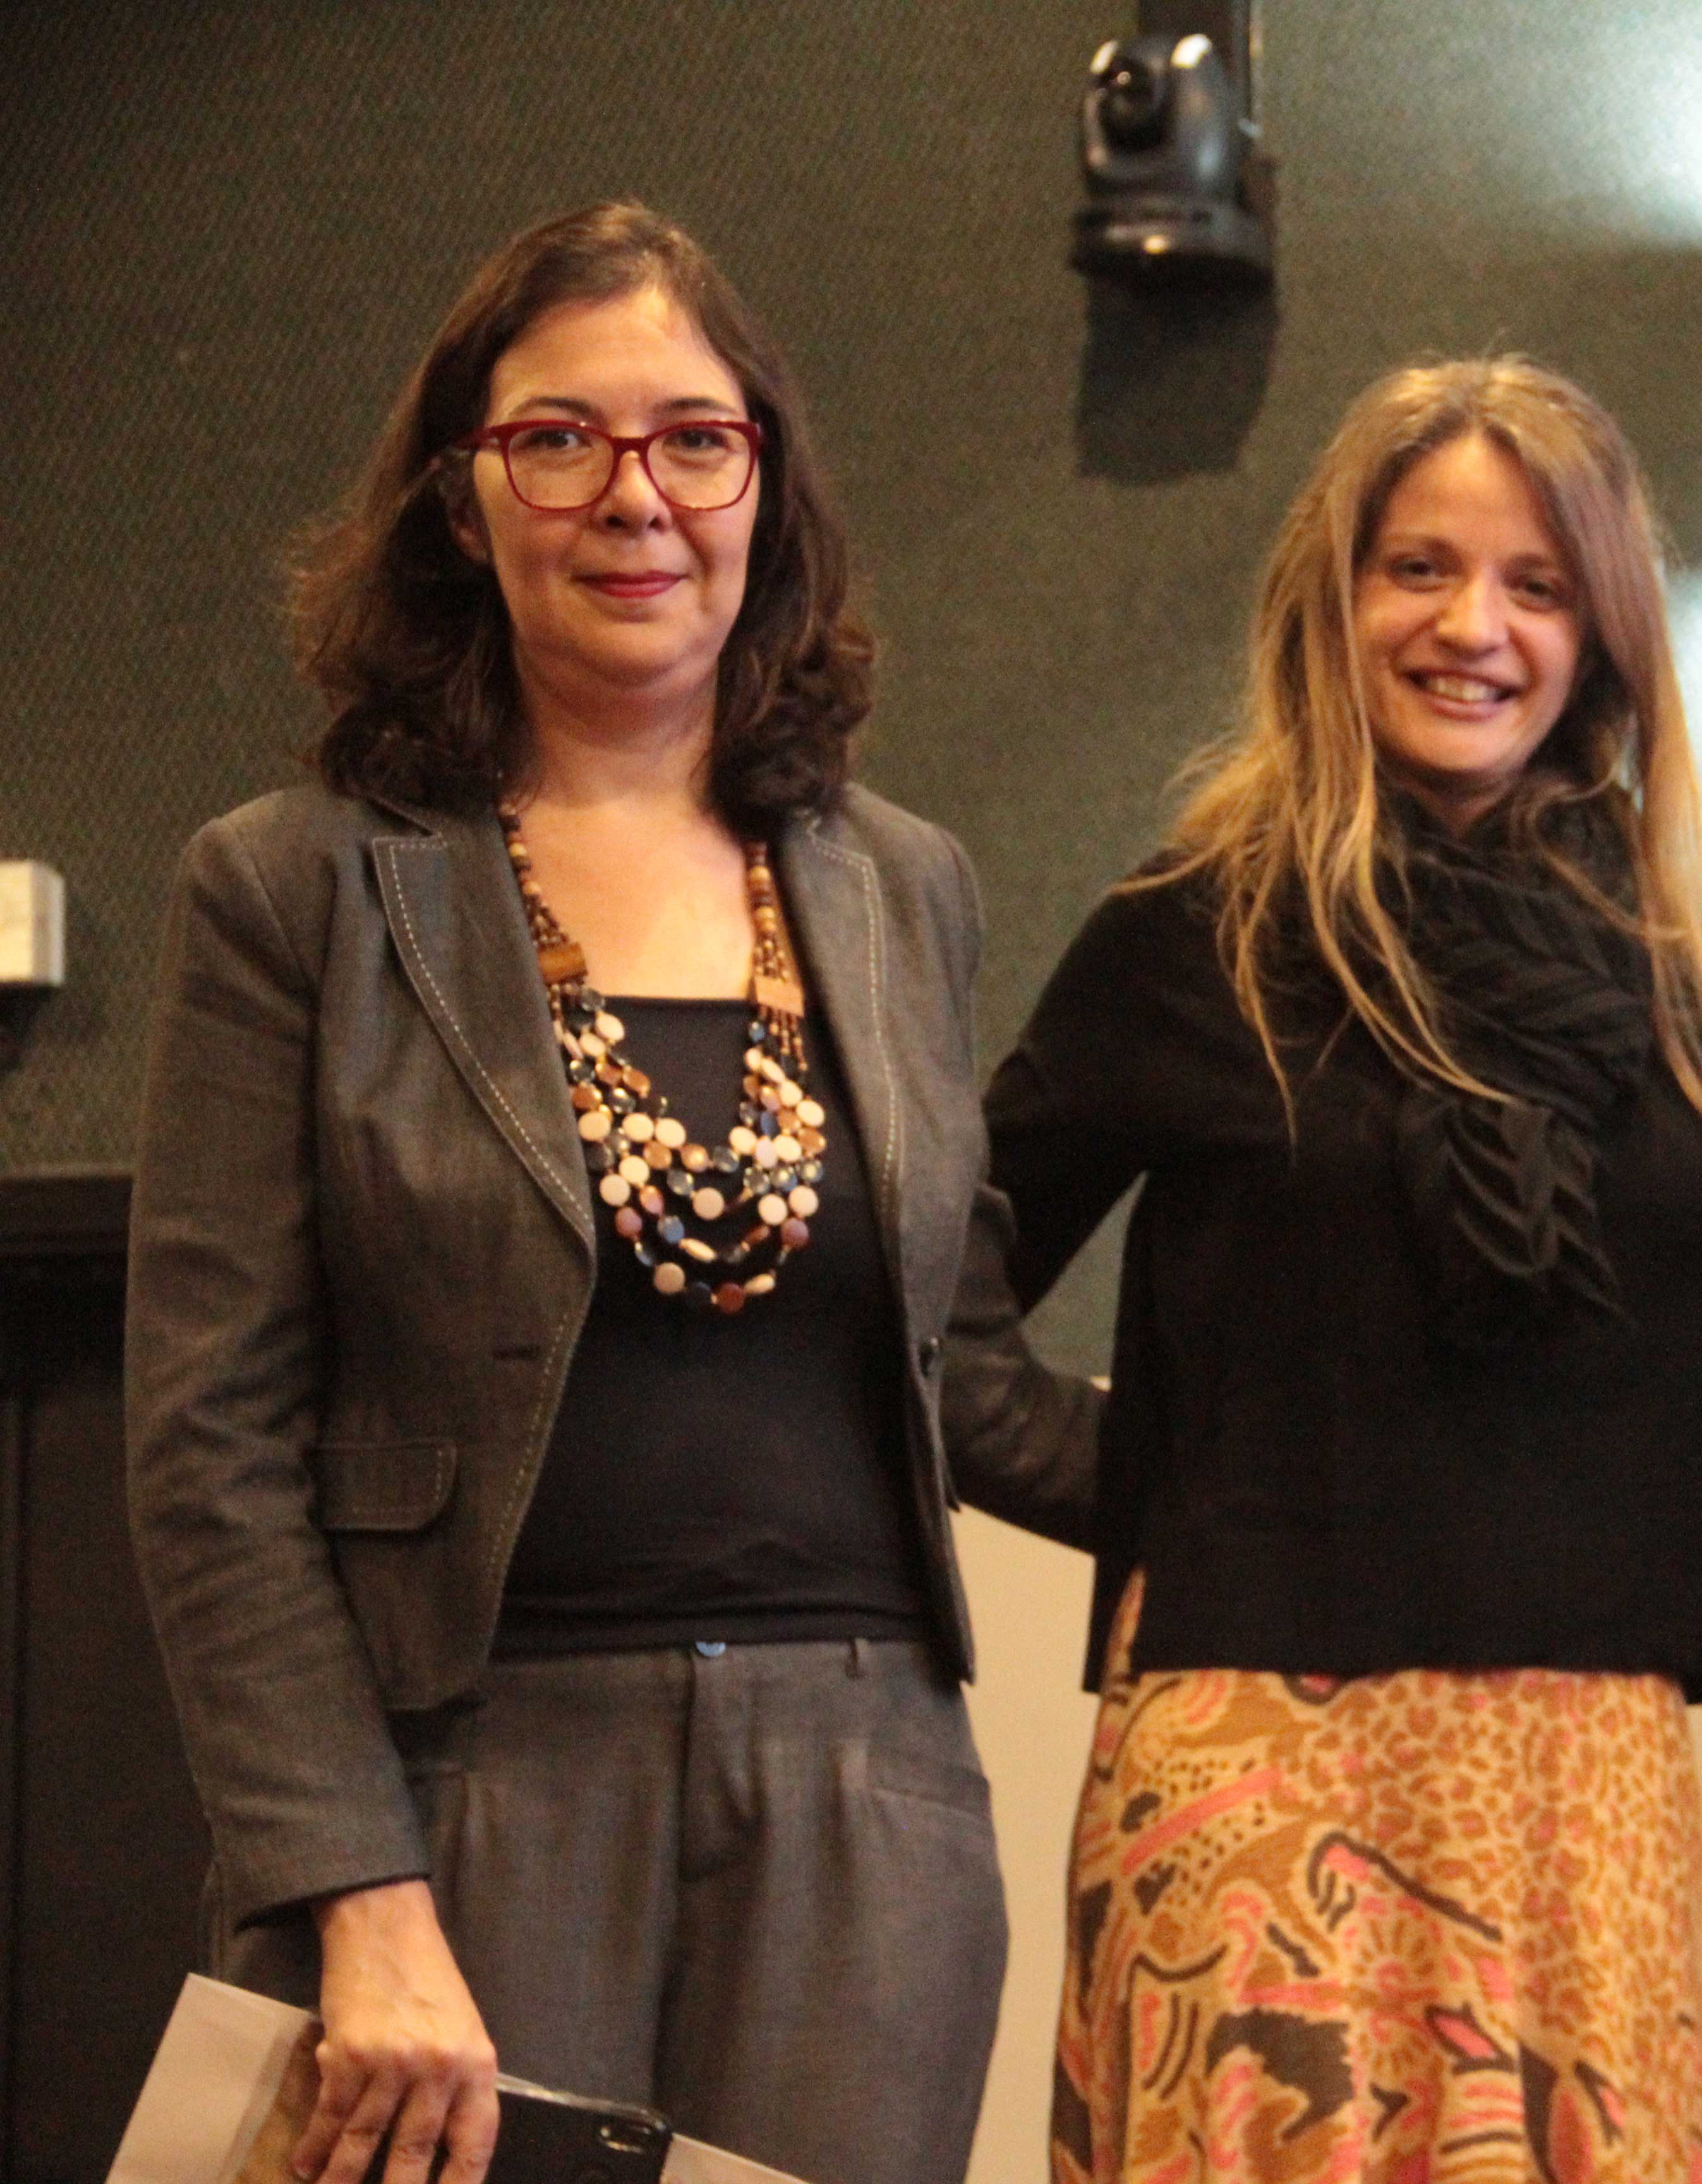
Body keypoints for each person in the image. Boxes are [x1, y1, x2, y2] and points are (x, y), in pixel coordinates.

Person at [123, 202, 1102, 2184]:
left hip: (866, 1803)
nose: (634, 496)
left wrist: (1340, 1479)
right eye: (560, 439)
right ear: (460, 501)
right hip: (469, 1786)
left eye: (694, 439)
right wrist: (356, 1887)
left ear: (765, 486)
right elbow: (209, 1446)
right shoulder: (294, 884)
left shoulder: (903, 884)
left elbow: (972, 1372)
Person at [983, 357, 1702, 2183]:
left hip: (1584, 1767)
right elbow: (933, 1273)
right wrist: (1137, 1487)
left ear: (1602, 635)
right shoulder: (1200, 927)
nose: (1473, 627)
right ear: (1331, 602)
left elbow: (1693, 1325)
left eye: (1537, 584)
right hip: (1266, 1750)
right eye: (1420, 568)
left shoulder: (1647, 956)